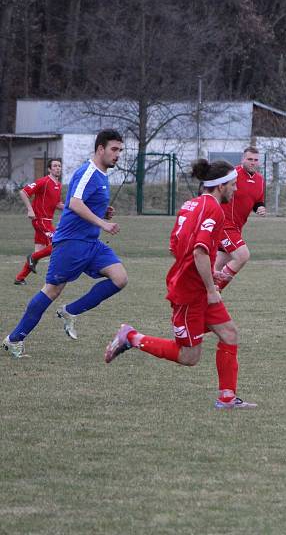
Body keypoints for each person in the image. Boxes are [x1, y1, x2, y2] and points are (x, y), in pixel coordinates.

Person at [104, 159, 256, 409]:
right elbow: (199, 252)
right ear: (220, 186)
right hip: (190, 293)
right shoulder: (214, 210)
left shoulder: (190, 204)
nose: (236, 189)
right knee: (189, 356)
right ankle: (131, 337)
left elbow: (176, 245)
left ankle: (227, 398)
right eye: (233, 184)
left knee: (229, 334)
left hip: (193, 282)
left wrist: (206, 273)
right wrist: (209, 288)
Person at [3, 130, 127, 358]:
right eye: (114, 149)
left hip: (91, 243)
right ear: (100, 149)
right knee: (52, 290)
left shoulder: (102, 175)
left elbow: (85, 205)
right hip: (71, 243)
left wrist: (103, 212)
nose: (118, 154)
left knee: (120, 278)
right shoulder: (88, 171)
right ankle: (14, 339)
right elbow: (75, 203)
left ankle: (71, 311)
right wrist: (103, 223)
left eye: (120, 150)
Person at [213, 147, 266, 291]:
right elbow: (215, 191)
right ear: (243, 159)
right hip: (224, 225)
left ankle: (202, 295)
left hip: (237, 227)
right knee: (242, 255)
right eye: (250, 159)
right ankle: (214, 292)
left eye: (255, 160)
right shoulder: (232, 175)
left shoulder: (260, 180)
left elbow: (257, 201)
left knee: (217, 265)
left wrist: (260, 208)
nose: (253, 162)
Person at [14, 158, 65, 285]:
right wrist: (30, 210)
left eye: (59, 166)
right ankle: (33, 258)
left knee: (39, 251)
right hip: (40, 220)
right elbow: (23, 192)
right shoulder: (43, 181)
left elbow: (57, 203)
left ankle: (19, 278)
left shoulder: (58, 185)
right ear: (49, 169)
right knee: (58, 243)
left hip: (47, 221)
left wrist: (72, 208)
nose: (58, 168)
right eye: (55, 166)